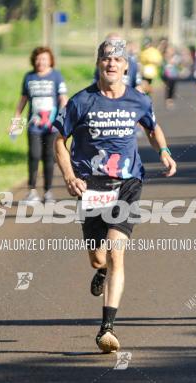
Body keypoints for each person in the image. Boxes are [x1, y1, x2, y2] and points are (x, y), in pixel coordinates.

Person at [53, 38, 177, 352]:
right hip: (90, 186)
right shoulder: (81, 102)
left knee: (116, 251)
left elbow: (152, 127)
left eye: (117, 60)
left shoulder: (139, 100)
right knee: (98, 258)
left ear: (125, 66)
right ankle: (102, 271)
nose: (111, 64)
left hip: (127, 183)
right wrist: (69, 176)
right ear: (99, 63)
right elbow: (58, 141)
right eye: (106, 59)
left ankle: (107, 328)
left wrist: (162, 150)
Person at [11, 47, 68, 203]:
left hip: (52, 126)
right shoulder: (29, 77)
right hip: (34, 125)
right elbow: (23, 100)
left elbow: (63, 99)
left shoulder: (57, 76)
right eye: (38, 59)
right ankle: (32, 192)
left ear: (50, 61)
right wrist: (16, 121)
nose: (40, 62)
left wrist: (64, 119)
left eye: (44, 59)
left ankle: (48, 191)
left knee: (49, 157)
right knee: (34, 156)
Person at [161, 44, 183, 110]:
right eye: (169, 50)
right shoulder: (164, 56)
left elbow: (179, 65)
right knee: (168, 87)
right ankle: (168, 100)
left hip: (174, 75)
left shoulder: (176, 57)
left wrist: (180, 70)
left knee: (173, 88)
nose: (170, 51)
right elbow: (162, 64)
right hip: (166, 75)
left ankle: (171, 99)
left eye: (172, 50)